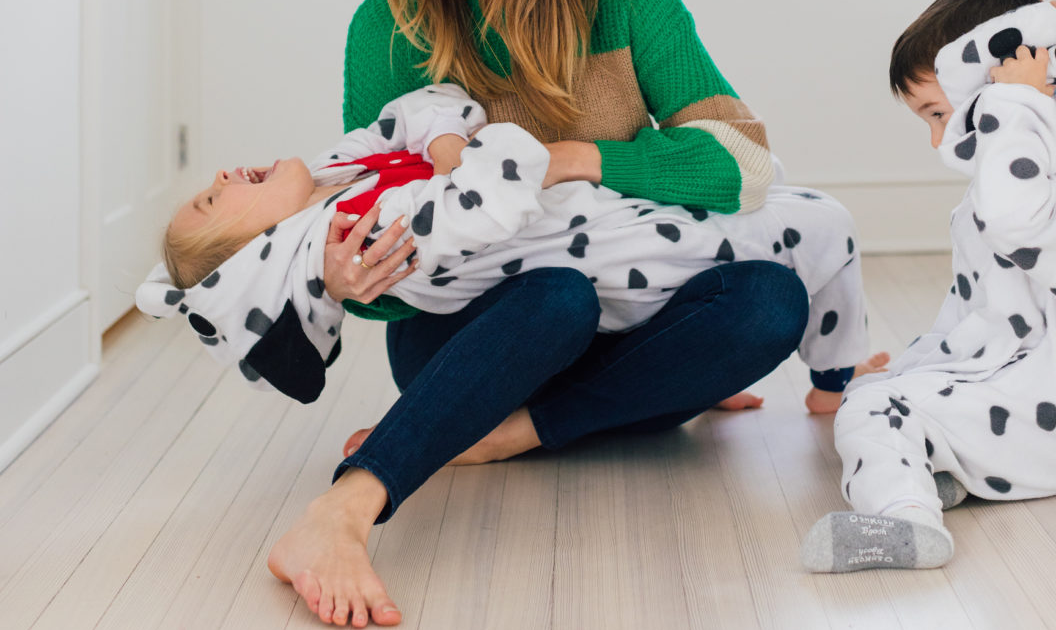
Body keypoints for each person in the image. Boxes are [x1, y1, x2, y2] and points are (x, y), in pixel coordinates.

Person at [266, 0, 817, 629]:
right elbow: (382, 266)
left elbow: (740, 159)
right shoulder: (387, 27)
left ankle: (514, 427)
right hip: (475, 332)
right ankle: (346, 509)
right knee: (554, 299)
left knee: (771, 303)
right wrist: (353, 282)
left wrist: (574, 157)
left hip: (630, 306)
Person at [138, 82, 871, 411]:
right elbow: (498, 193)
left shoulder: (345, 174)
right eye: (213, 198)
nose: (224, 173)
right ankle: (836, 384)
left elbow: (427, 104)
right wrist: (473, 156)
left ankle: (808, 374)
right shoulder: (367, 238)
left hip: (611, 214)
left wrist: (452, 139)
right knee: (818, 223)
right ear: (257, 249)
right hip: (620, 256)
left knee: (795, 205)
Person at [802, 0, 1056, 574]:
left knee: (872, 411)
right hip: (1052, 399)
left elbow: (1014, 221)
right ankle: (950, 477)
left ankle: (904, 519)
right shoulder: (1046, 174)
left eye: (938, 114)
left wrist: (1014, 103)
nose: (939, 140)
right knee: (881, 394)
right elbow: (982, 319)